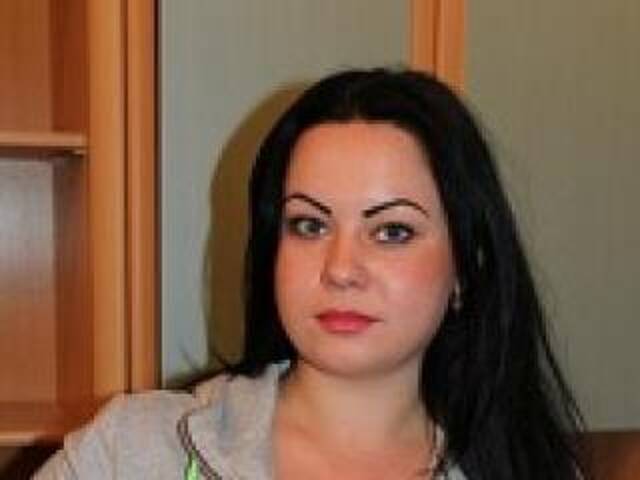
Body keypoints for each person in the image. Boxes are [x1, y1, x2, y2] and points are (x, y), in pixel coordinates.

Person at [35, 68, 588, 479]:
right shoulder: (134, 450)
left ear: (467, 267)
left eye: (392, 231)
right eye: (309, 225)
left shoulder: (534, 470)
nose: (341, 269)